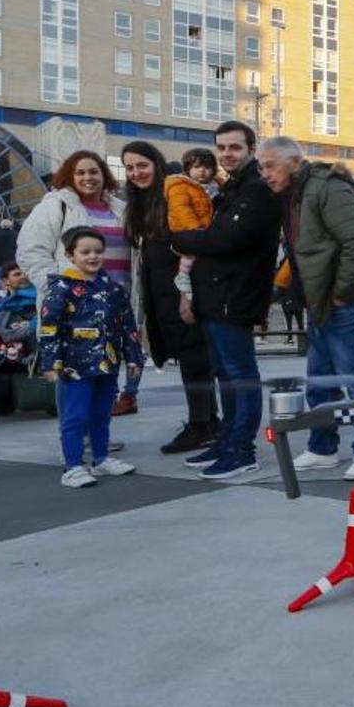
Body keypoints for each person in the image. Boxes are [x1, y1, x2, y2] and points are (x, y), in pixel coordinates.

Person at [256, 137, 354, 480]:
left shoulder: (326, 187)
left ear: (294, 161)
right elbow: (304, 251)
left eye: (270, 165)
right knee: (320, 385)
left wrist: (341, 294)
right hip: (318, 304)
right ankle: (322, 448)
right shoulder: (294, 196)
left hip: (343, 305)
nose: (265, 174)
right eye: (261, 167)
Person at [171, 121, 281, 479]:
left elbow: (226, 239)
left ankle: (241, 449)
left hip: (235, 296)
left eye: (234, 147)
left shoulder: (256, 189)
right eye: (221, 148)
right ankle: (228, 439)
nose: (226, 154)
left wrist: (183, 239)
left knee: (240, 375)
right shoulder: (232, 188)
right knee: (225, 374)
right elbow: (218, 237)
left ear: (251, 148)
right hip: (218, 297)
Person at [16, 150, 142, 416]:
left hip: (114, 306)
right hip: (75, 310)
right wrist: (58, 290)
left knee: (106, 373)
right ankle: (77, 440)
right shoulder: (55, 206)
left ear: (104, 174)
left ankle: (97, 440)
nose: (88, 177)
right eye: (80, 172)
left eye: (94, 171)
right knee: (75, 378)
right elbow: (30, 252)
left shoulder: (120, 209)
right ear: (69, 177)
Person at [122, 140, 221, 454]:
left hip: (181, 288)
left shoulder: (172, 192)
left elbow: (191, 243)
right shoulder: (142, 200)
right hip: (161, 290)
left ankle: (201, 425)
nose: (136, 172)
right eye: (129, 167)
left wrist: (186, 295)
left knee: (194, 358)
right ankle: (209, 420)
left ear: (156, 163)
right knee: (191, 358)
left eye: (142, 165)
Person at [38, 227, 141, 488]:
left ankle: (101, 458)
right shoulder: (61, 288)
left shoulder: (114, 289)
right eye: (85, 252)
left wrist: (134, 357)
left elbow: (127, 325)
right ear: (70, 255)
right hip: (74, 367)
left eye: (98, 251)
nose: (93, 256)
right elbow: (49, 328)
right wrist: (50, 363)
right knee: (75, 417)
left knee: (101, 414)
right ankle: (73, 466)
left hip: (107, 365)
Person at [166, 148, 219, 323]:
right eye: (197, 167)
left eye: (207, 167)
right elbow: (182, 210)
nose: (202, 171)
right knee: (188, 260)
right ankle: (184, 283)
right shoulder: (180, 186)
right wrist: (196, 232)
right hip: (189, 232)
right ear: (188, 169)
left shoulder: (215, 186)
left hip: (207, 234)